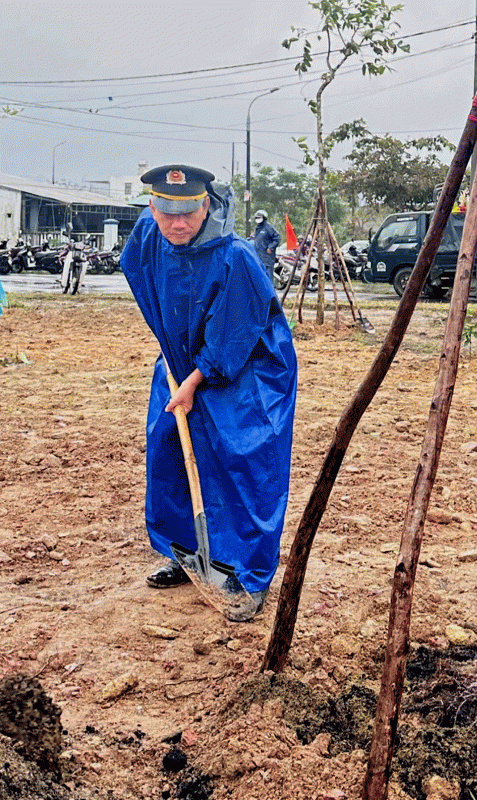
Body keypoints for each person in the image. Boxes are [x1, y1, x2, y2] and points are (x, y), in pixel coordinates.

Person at [120, 165, 297, 623]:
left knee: (241, 458)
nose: (177, 224)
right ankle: (186, 553)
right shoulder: (149, 236)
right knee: (170, 450)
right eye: (166, 213)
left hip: (246, 366)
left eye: (188, 214)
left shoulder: (235, 256)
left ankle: (247, 574)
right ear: (153, 208)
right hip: (180, 360)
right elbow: (138, 273)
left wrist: (197, 379)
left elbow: (234, 331)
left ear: (206, 205)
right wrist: (172, 348)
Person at [251, 209, 280, 275]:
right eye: (256, 217)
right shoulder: (258, 228)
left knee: (268, 278)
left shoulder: (268, 227)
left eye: (259, 217)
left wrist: (270, 247)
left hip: (267, 258)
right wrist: (254, 237)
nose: (258, 219)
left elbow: (278, 238)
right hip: (259, 258)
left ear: (264, 218)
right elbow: (260, 238)